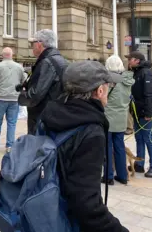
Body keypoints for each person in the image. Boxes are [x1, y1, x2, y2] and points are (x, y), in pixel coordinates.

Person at [39, 60, 128, 232]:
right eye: (108, 86)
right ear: (99, 91)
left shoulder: (50, 113)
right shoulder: (91, 132)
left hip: (47, 209)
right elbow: (87, 204)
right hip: (67, 219)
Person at [19, 29, 68, 134]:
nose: (32, 46)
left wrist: (22, 96)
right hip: (54, 115)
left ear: (39, 44)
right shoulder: (59, 59)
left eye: (33, 43)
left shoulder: (47, 62)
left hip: (43, 118)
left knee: (39, 147)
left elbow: (36, 94)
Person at [125, 51, 152, 178]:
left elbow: (150, 94)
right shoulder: (135, 72)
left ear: (137, 60)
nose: (129, 61)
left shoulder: (146, 73)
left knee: (148, 139)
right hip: (137, 112)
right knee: (138, 138)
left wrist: (149, 113)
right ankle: (140, 164)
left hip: (145, 113)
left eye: (130, 59)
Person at [102, 55, 135, 185]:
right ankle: (122, 175)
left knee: (107, 148)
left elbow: (103, 98)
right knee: (120, 147)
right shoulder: (127, 79)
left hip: (109, 117)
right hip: (122, 117)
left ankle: (108, 176)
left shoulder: (109, 80)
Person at [0, 47, 26, 153]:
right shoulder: (19, 67)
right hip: (14, 99)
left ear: (2, 55)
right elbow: (25, 81)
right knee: (12, 123)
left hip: (0, 98)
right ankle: (10, 146)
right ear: (12, 55)